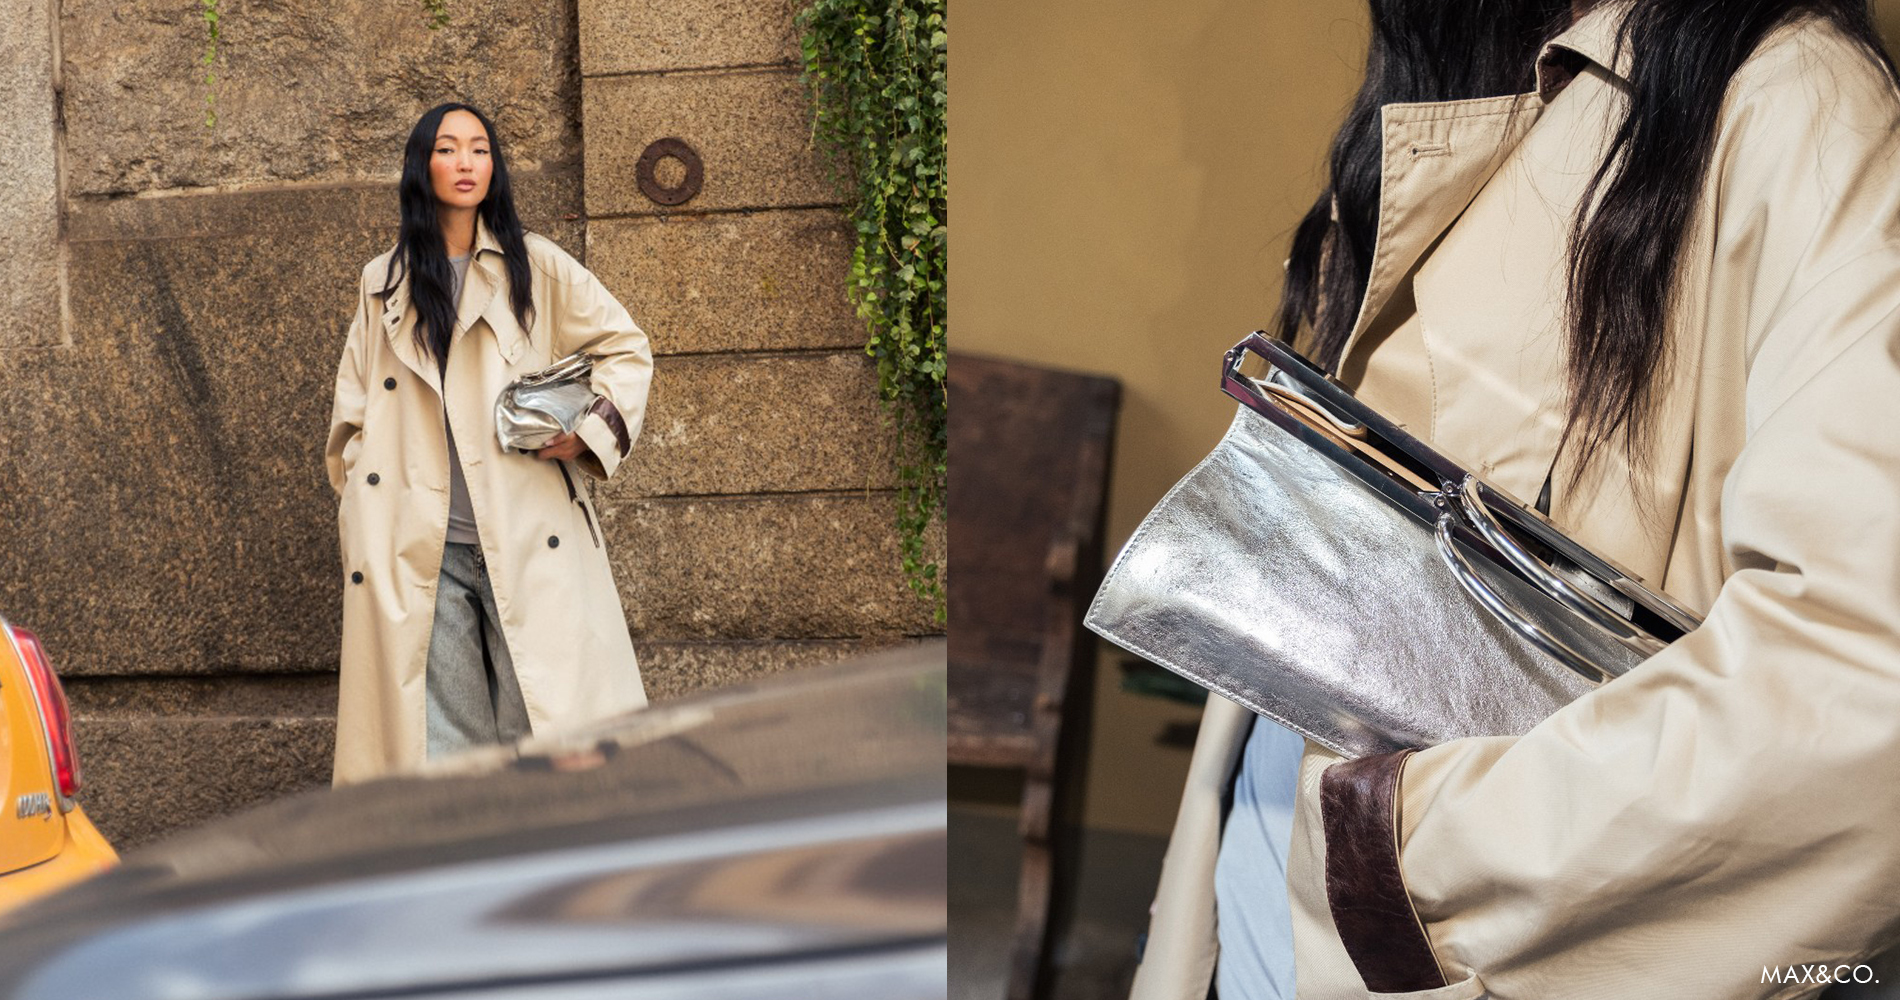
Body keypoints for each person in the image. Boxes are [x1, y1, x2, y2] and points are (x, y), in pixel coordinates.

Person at [1130, 2, 1900, 998]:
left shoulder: (1791, 98)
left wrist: (1393, 863)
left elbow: (1858, 686)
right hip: (1249, 921)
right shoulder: (1442, 105)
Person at [324, 102, 654, 785]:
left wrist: (588, 431)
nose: (466, 162)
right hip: (420, 543)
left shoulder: (533, 264)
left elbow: (626, 347)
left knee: (543, 725)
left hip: (525, 528)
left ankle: (552, 873)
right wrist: (364, 498)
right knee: (444, 742)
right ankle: (468, 873)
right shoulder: (381, 279)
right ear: (424, 165)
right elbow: (353, 408)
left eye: (479, 149)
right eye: (449, 149)